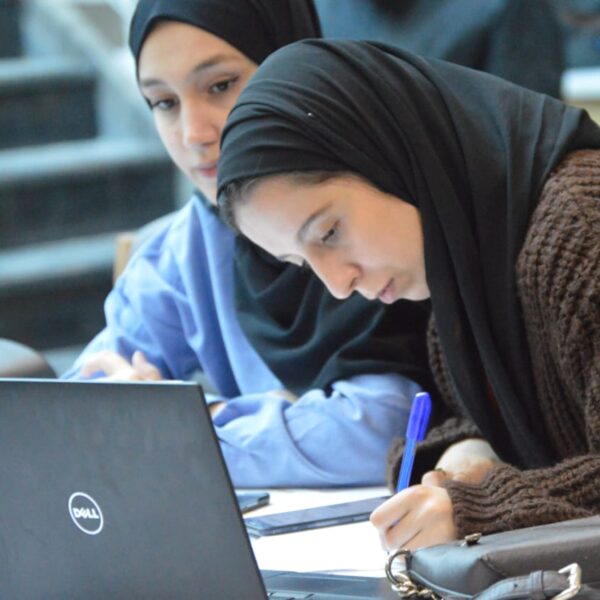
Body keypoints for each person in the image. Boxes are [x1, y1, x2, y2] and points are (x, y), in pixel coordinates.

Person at [217, 39, 600, 547]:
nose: (338, 284)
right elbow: (499, 424)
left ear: (389, 153)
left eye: (329, 232)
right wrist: (469, 448)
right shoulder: (463, 271)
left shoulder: (582, 225)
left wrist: (480, 509)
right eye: (301, 263)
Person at [63, 1, 436, 488]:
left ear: (294, 66)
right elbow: (79, 404)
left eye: (220, 85)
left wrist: (186, 427)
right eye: (164, 102)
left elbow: (387, 428)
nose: (194, 134)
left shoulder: (380, 205)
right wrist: (200, 425)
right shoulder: (186, 249)